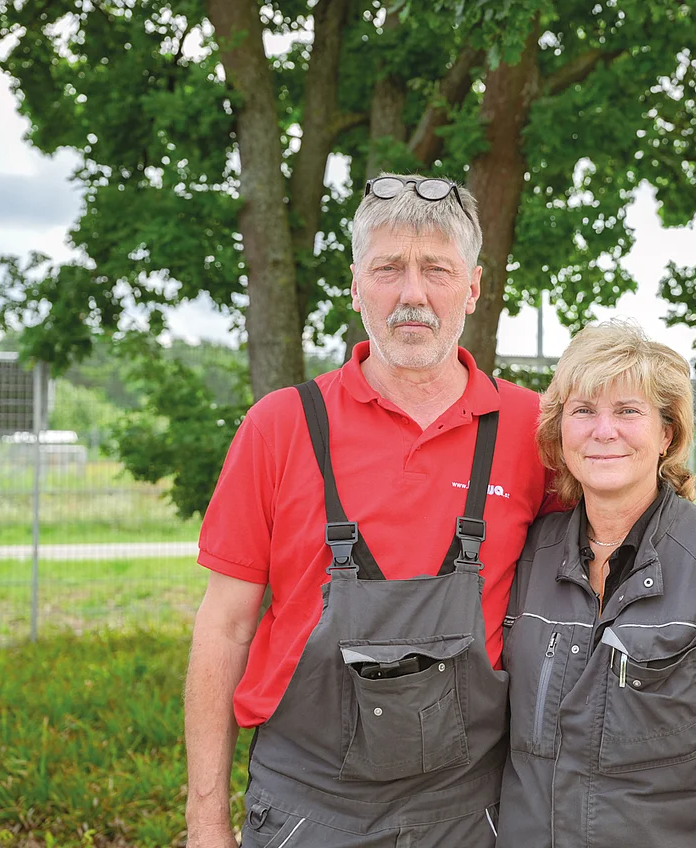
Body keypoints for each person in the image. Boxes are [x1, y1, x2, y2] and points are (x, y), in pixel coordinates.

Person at [183, 174, 553, 847]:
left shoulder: (534, 431)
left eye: (436, 269)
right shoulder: (281, 426)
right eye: (388, 269)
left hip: (471, 812)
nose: (412, 293)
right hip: (307, 810)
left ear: (473, 287)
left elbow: (618, 582)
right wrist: (205, 822)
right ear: (355, 286)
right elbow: (225, 626)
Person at [497, 321, 696, 848]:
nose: (604, 431)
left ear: (667, 433)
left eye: (628, 411)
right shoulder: (525, 553)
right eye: (583, 411)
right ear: (559, 431)